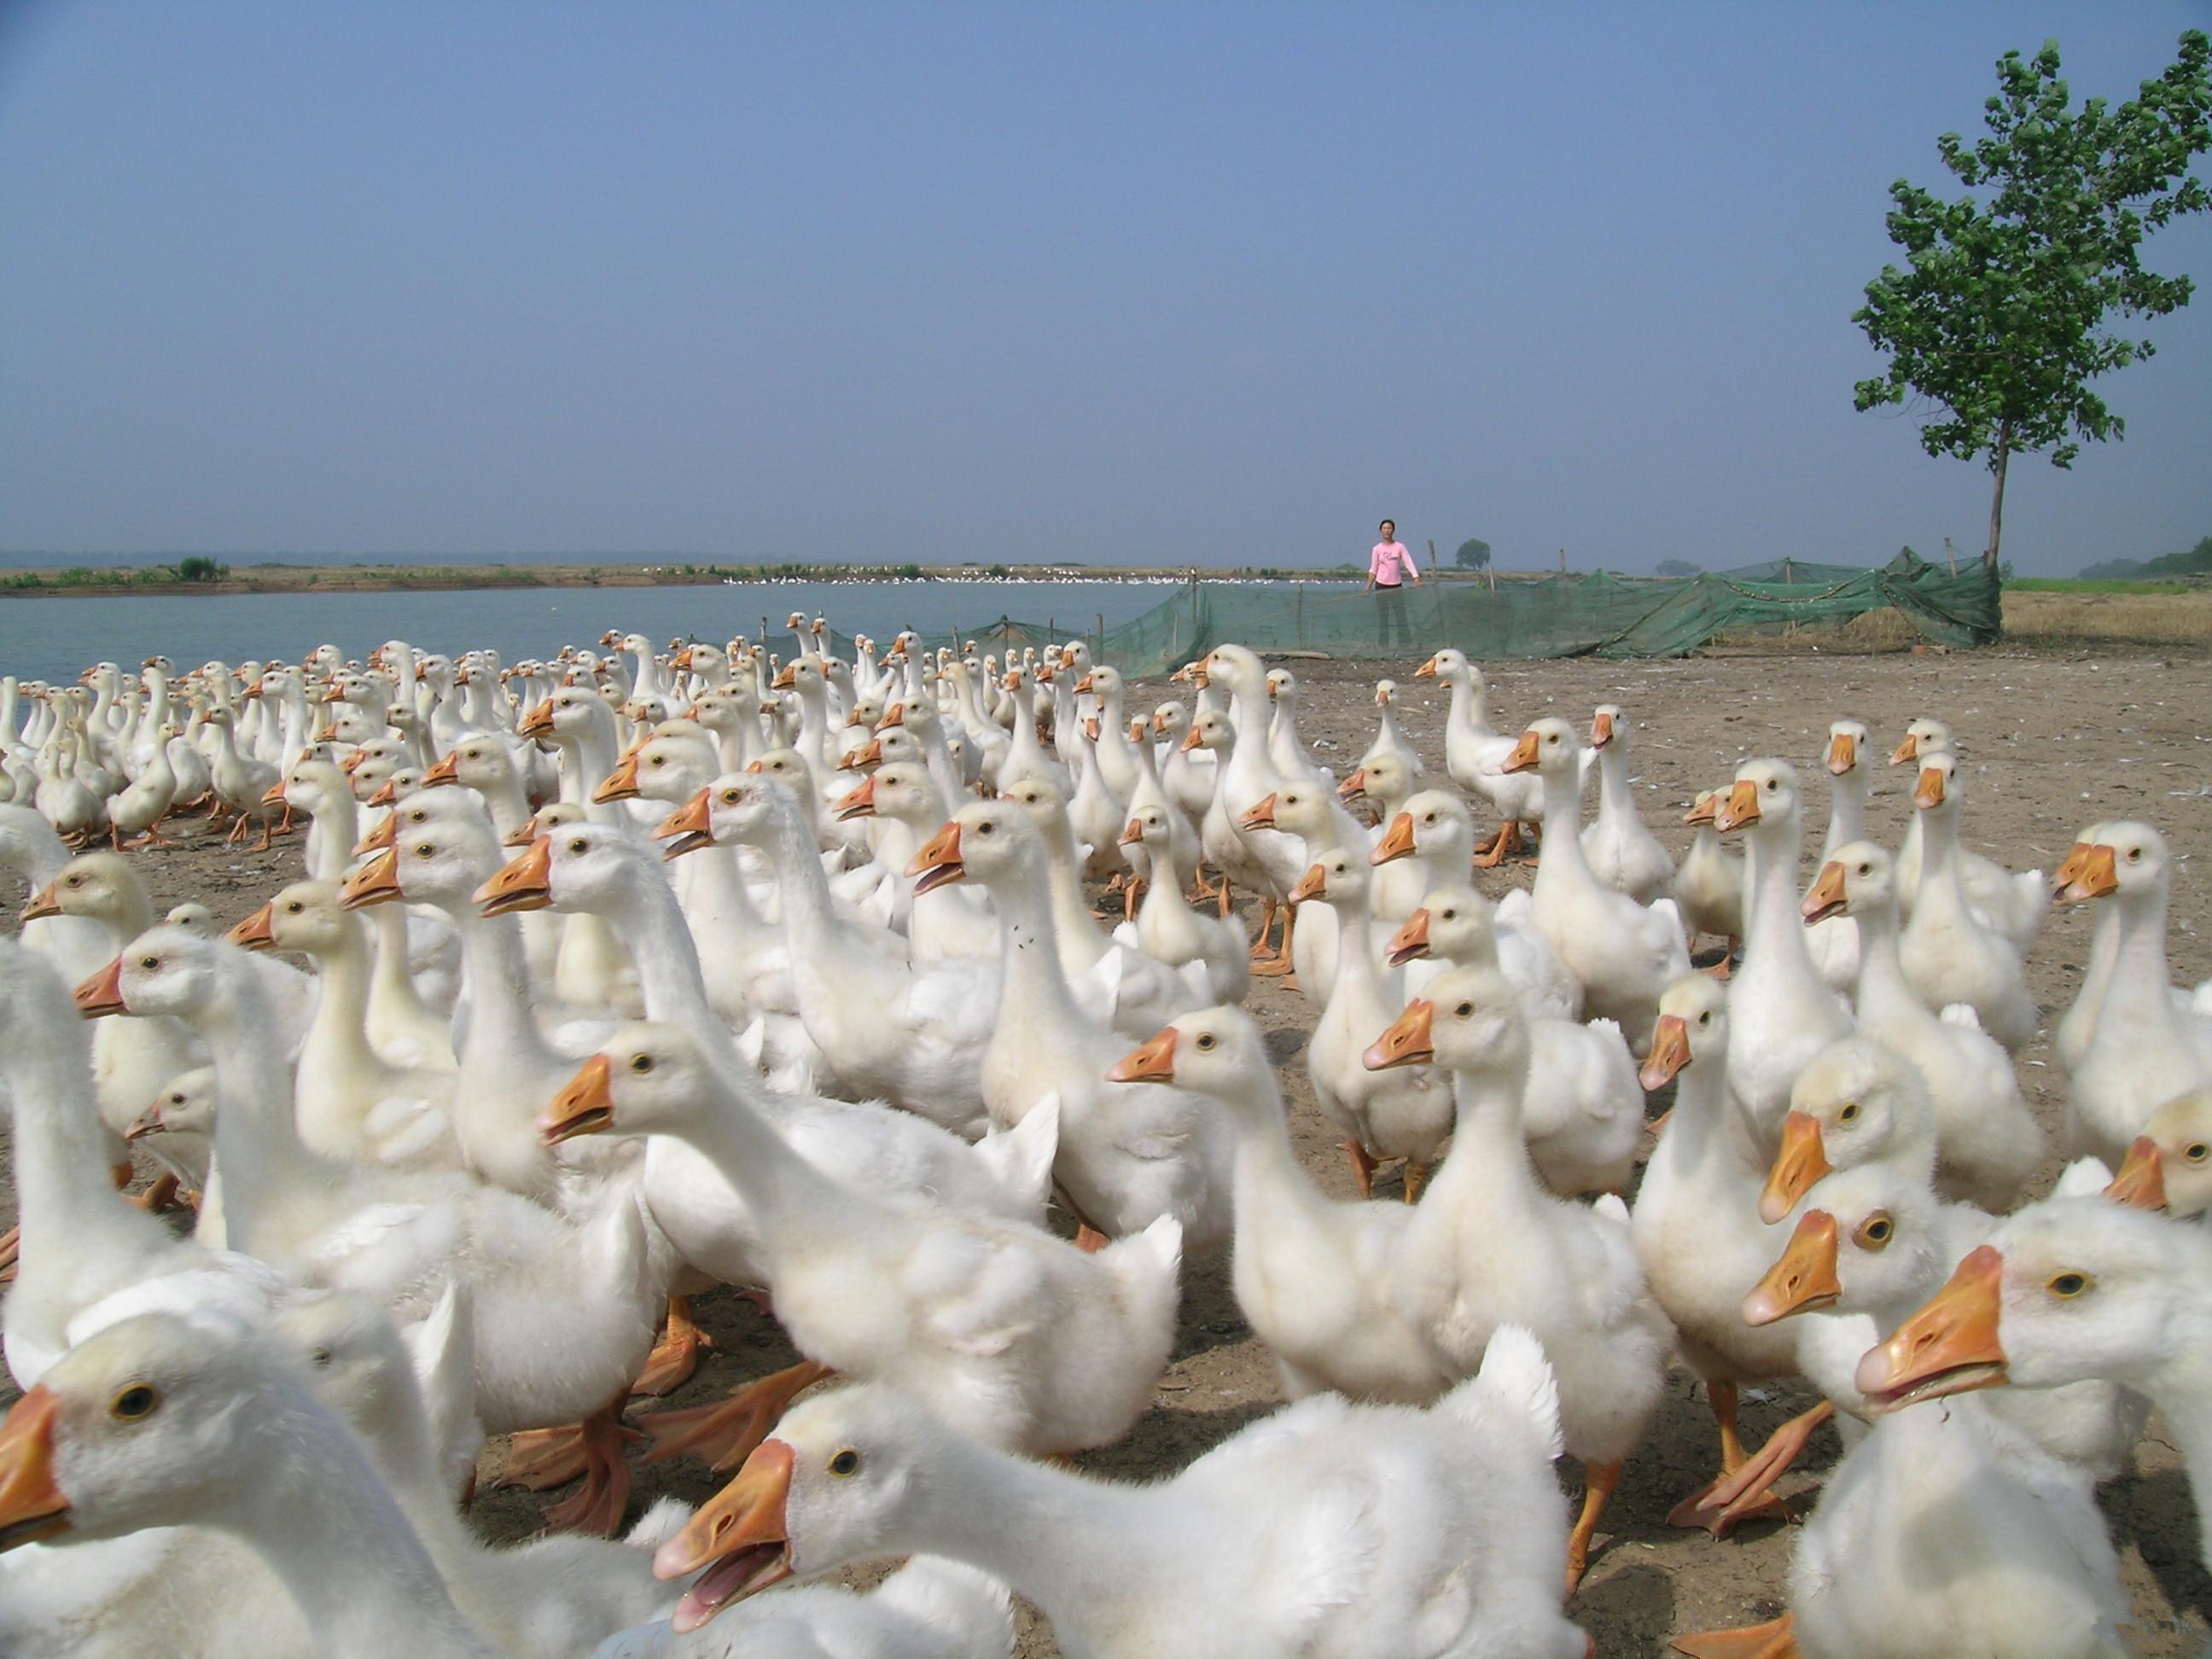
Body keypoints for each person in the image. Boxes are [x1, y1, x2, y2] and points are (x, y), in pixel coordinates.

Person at [1365, 518, 1421, 650]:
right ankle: (1383, 645)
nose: (1387, 531)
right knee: (1383, 617)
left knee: (1401, 616)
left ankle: (1405, 644)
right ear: (1381, 531)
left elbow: (1408, 562)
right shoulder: (1377, 549)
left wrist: (1416, 577)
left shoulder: (1400, 547)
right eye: (1384, 528)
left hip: (1396, 586)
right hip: (1381, 585)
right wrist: (1368, 587)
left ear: (1393, 530)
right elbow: (1373, 569)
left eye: (1389, 528)